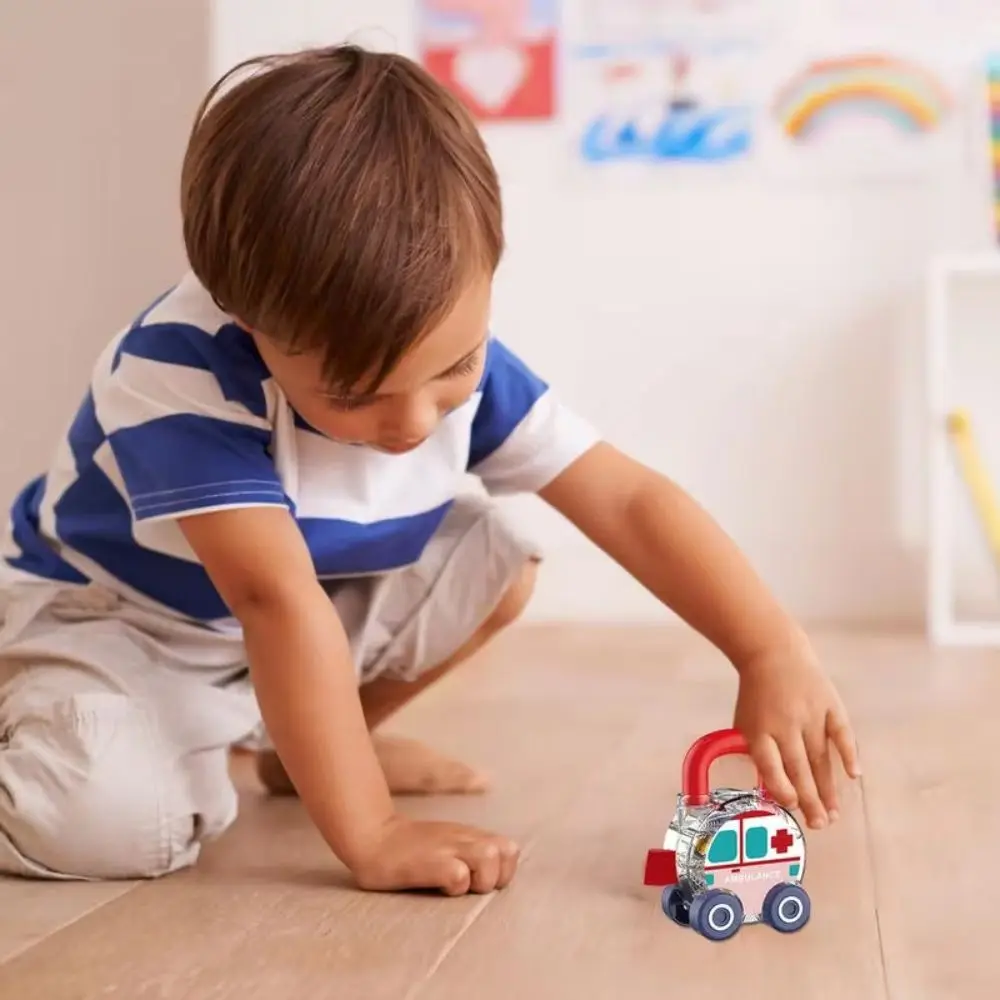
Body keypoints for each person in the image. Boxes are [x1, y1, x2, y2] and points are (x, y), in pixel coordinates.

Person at [0, 44, 859, 893]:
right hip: (117, 625)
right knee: (107, 818)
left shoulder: (449, 357)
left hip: (263, 635)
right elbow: (274, 602)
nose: (414, 421)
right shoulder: (179, 374)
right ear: (245, 314)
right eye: (357, 391)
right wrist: (372, 832)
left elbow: (628, 499)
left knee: (494, 557)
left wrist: (768, 649)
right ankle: (91, 725)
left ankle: (295, 755)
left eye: (452, 369)